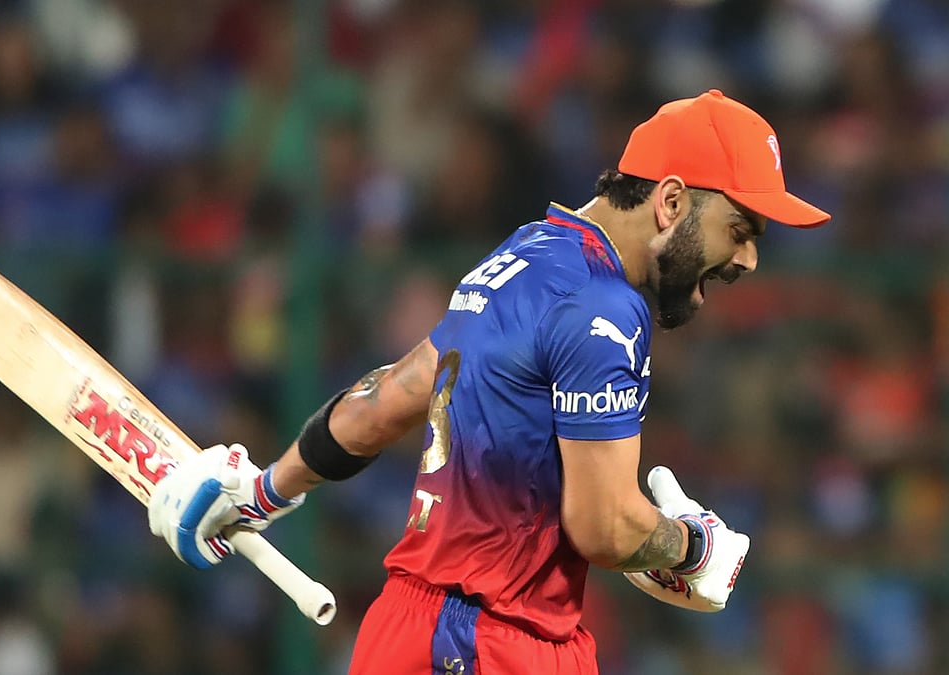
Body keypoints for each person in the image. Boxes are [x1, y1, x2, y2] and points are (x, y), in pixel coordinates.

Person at [146, 89, 831, 673]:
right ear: (672, 202)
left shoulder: (523, 253)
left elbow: (389, 400)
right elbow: (604, 526)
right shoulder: (605, 308)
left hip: (408, 629)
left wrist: (260, 490)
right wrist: (695, 546)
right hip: (492, 642)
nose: (747, 257)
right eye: (739, 228)